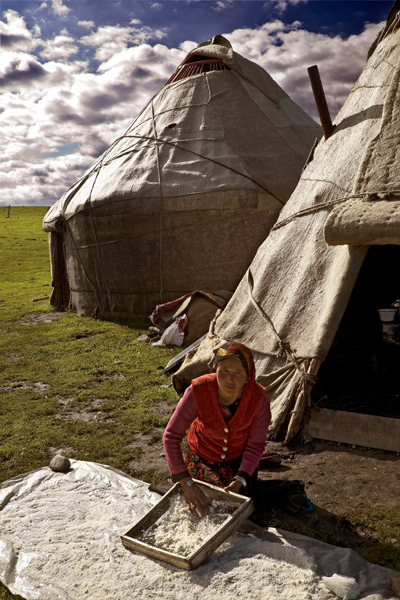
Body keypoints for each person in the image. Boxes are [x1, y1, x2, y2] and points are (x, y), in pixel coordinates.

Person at [163, 341, 271, 518]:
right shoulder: (198, 391)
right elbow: (171, 436)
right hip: (201, 458)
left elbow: (256, 446)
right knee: (198, 508)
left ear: (248, 376)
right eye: (224, 371)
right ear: (215, 369)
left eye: (238, 373)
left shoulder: (259, 400)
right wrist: (187, 484)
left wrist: (239, 480)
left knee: (237, 511)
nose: (230, 379)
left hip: (237, 463)